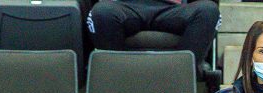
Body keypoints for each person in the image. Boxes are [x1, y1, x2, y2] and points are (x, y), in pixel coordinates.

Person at [87, 0, 219, 73]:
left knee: (209, 10)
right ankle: (115, 76)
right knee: (100, 12)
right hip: (121, 6)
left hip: (172, 8)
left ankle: (182, 75)